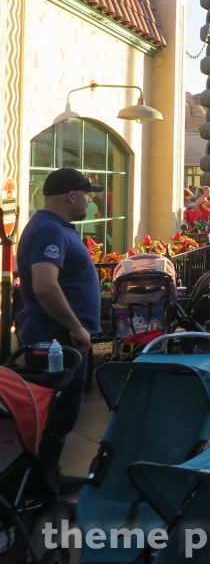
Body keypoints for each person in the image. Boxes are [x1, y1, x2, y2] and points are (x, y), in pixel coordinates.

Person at [17, 168, 105, 502]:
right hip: (56, 341)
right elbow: (44, 285)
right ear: (71, 196)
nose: (89, 199)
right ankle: (40, 489)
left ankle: (49, 477)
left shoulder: (53, 229)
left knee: (63, 416)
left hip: (63, 340)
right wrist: (75, 326)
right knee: (54, 416)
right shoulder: (48, 232)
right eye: (87, 193)